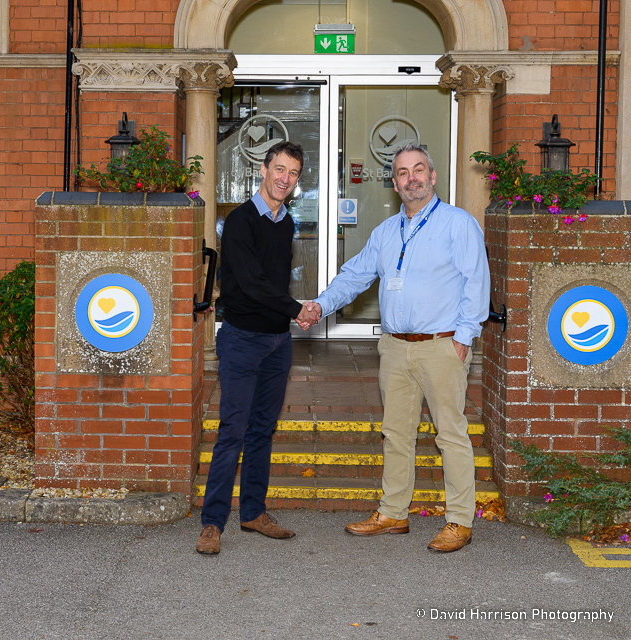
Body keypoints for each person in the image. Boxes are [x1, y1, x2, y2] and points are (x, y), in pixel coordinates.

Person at [305, 143, 489, 553]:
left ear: (433, 175)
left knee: (451, 435)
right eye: (403, 173)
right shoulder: (386, 232)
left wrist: (464, 335)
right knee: (396, 434)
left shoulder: (458, 224)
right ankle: (393, 514)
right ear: (394, 183)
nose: (412, 178)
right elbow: (355, 276)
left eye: (418, 169)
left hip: (442, 346)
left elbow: (477, 281)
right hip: (394, 347)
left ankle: (459, 520)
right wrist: (320, 306)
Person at [196, 141, 318, 556]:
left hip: (277, 343)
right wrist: (297, 310)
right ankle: (212, 523)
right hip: (242, 341)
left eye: (294, 173)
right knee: (232, 431)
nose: (285, 179)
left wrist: (289, 316)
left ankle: (253, 512)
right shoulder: (241, 221)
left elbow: (275, 282)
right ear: (264, 170)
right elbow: (248, 284)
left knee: (262, 430)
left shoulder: (286, 222)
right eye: (279, 169)